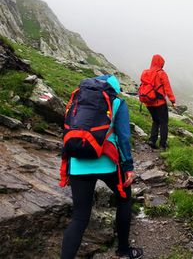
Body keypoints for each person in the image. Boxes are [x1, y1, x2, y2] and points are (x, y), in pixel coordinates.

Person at [60, 75, 141, 258]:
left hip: (78, 162)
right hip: (107, 162)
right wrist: (128, 166)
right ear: (115, 89)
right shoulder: (117, 102)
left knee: (80, 217)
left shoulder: (79, 98)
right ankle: (123, 249)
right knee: (124, 198)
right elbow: (123, 137)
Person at [138, 54, 176, 149]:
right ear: (161, 63)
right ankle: (162, 145)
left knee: (155, 121)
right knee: (164, 122)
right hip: (159, 102)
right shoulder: (161, 73)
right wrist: (173, 101)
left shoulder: (145, 72)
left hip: (148, 101)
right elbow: (167, 88)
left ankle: (152, 140)